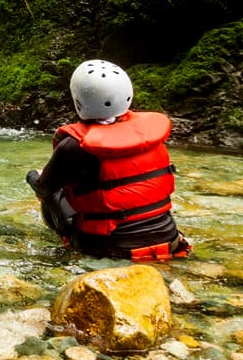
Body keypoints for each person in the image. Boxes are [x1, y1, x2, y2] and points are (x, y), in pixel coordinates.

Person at [26, 59, 192, 261]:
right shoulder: (149, 136)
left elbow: (44, 188)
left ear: (78, 102)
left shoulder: (73, 146)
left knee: (49, 187)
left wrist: (33, 176)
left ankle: (69, 250)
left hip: (109, 248)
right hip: (168, 240)